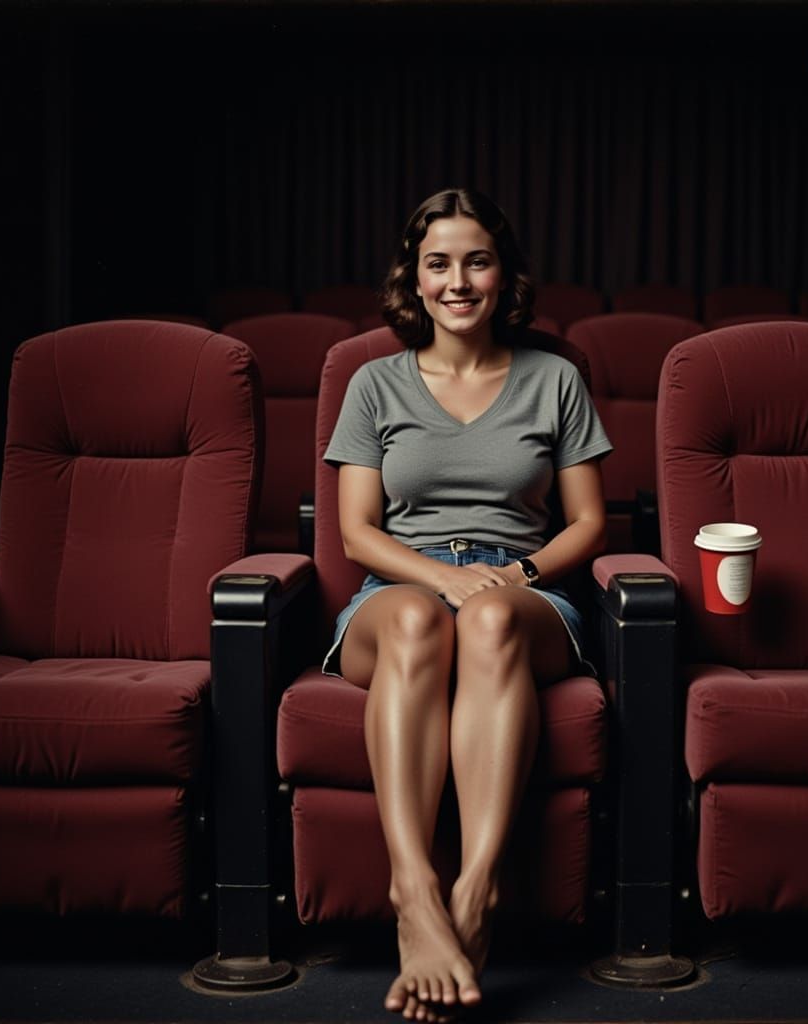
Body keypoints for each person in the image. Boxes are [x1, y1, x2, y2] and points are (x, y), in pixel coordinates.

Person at [322, 187, 612, 1022]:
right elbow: (356, 532)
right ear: (413, 279)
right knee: (419, 618)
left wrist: (516, 575)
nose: (458, 282)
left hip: (520, 591)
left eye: (477, 262)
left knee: (486, 619)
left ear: (503, 275)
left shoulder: (555, 378)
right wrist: (438, 577)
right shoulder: (373, 384)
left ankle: (477, 889)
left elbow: (588, 523)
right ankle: (414, 892)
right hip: (397, 589)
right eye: (439, 264)